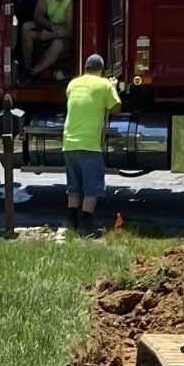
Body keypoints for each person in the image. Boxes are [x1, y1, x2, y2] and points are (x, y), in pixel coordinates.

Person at [61, 52, 118, 234]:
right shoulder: (104, 84)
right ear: (101, 70)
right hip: (90, 145)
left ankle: (71, 221)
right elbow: (116, 108)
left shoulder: (73, 84)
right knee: (92, 187)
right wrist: (113, 87)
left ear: (85, 69)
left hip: (69, 143)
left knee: (74, 185)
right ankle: (86, 224)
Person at [22, 0, 76, 80]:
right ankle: (27, 68)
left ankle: (32, 73)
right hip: (51, 27)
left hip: (65, 36)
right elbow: (38, 15)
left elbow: (70, 31)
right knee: (27, 28)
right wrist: (52, 26)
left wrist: (49, 35)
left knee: (57, 44)